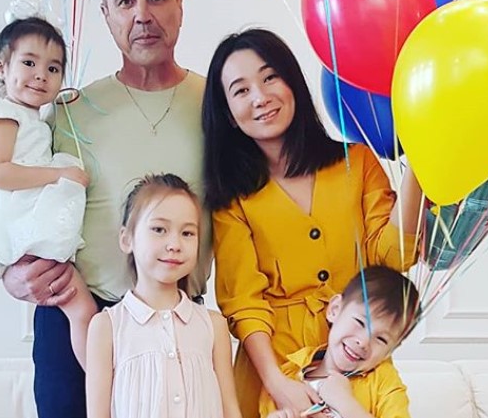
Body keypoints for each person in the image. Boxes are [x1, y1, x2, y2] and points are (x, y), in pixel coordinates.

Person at [0, 0, 213, 417]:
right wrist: (10, 273)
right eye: (125, 0)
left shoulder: (218, 106)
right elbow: (8, 202)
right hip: (75, 319)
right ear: (106, 15)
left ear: (179, 6)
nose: (142, 15)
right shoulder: (69, 112)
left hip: (177, 326)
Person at [202, 28, 423, 418]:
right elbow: (243, 301)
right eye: (241, 90)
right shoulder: (231, 199)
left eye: (270, 77)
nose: (260, 97)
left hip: (353, 362)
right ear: (229, 115)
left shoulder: (358, 163)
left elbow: (393, 258)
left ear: (293, 83)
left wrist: (420, 165)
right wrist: (276, 382)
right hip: (272, 369)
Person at [0, 14, 95, 368]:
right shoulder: (2, 112)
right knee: (81, 307)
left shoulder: (35, 118)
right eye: (29, 63)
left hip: (23, 212)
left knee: (80, 308)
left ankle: (100, 377)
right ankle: (101, 381)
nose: (41, 75)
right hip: (13, 216)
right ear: (2, 68)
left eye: (53, 68)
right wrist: (58, 175)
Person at [86, 173, 241, 418]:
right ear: (127, 239)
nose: (174, 244)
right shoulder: (106, 327)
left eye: (187, 233)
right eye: (159, 229)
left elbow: (230, 410)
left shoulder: (213, 325)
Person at [261, 265, 420, 418]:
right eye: (360, 322)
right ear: (335, 309)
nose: (363, 342)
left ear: (390, 350)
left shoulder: (384, 383)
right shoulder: (287, 377)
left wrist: (346, 404)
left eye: (381, 339)